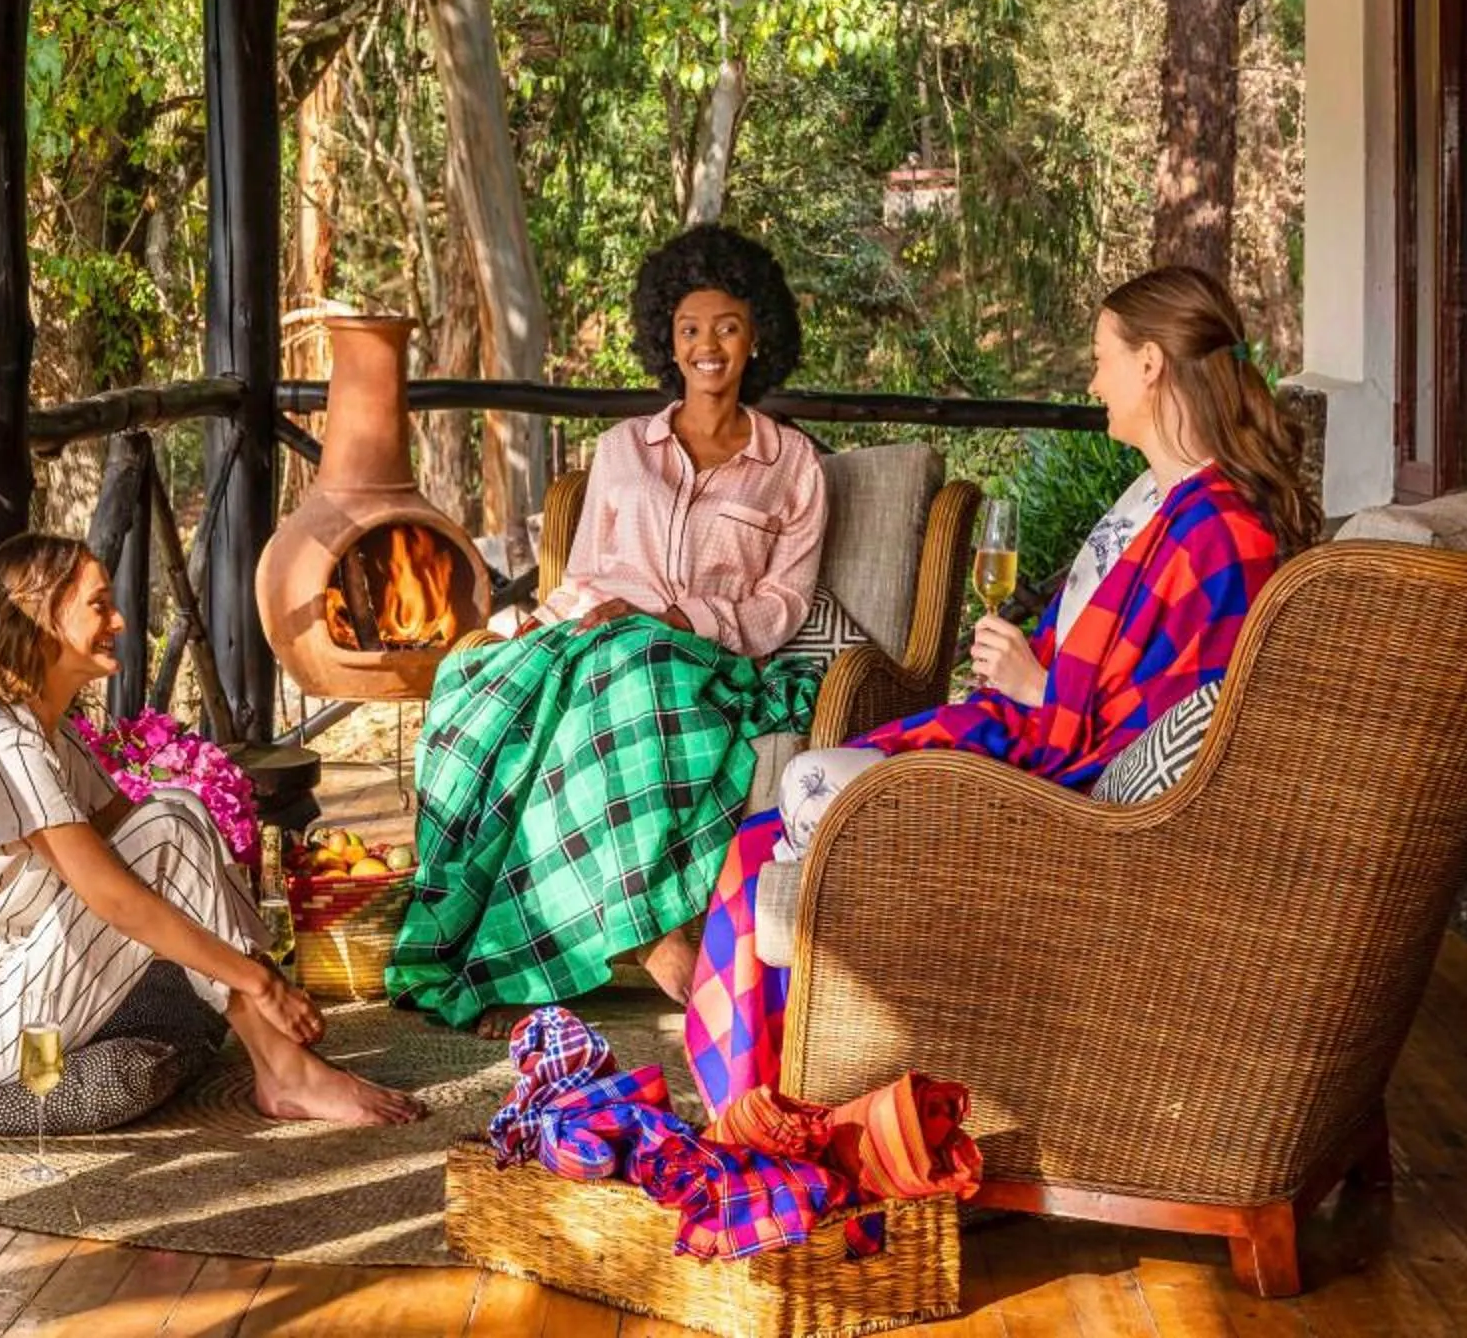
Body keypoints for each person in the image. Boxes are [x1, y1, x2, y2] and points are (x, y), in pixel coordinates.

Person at [683, 265, 1317, 1114]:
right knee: (769, 835)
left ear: (1152, 366)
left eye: (1101, 358)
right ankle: (775, 1101)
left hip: (1078, 818)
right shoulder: (1173, 505)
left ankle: (784, 1108)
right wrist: (1032, 677)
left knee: (802, 793)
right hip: (1044, 741)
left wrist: (1038, 683)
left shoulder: (1220, 535)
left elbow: (1162, 727)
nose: (1092, 381)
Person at [387, 224, 829, 1034]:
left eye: (727, 326)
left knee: (633, 663)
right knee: (472, 687)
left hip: (705, 660)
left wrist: (674, 617)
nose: (708, 346)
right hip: (599, 644)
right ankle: (654, 935)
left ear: (757, 335)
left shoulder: (792, 464)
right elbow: (586, 573)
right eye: (690, 328)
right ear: (668, 338)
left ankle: (535, 965)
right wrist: (538, 626)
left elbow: (784, 605)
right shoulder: (625, 447)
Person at [0, 532, 423, 1126]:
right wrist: (258, 981)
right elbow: (115, 897)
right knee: (170, 823)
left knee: (177, 808)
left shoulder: (51, 735)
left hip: (20, 981)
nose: (118, 619)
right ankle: (285, 1070)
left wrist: (244, 965)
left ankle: (280, 1063)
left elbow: (153, 840)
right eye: (99, 605)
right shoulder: (1, 744)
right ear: (38, 615)